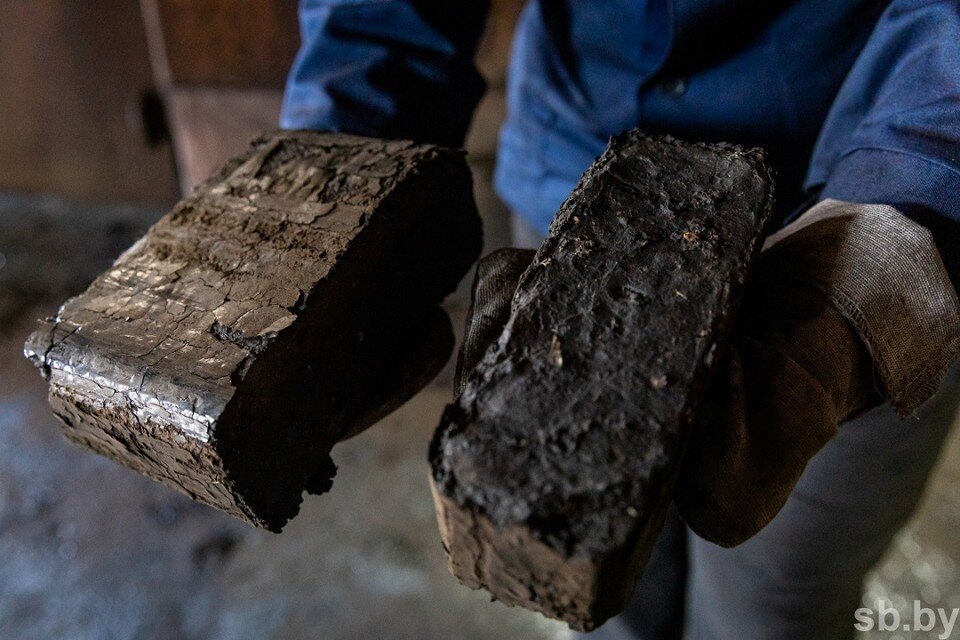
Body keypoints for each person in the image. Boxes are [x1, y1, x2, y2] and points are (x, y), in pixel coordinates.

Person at [279, 1, 960, 638]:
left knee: (774, 609)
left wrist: (877, 258)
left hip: (852, 204)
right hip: (577, 178)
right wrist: (343, 170)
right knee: (600, 589)